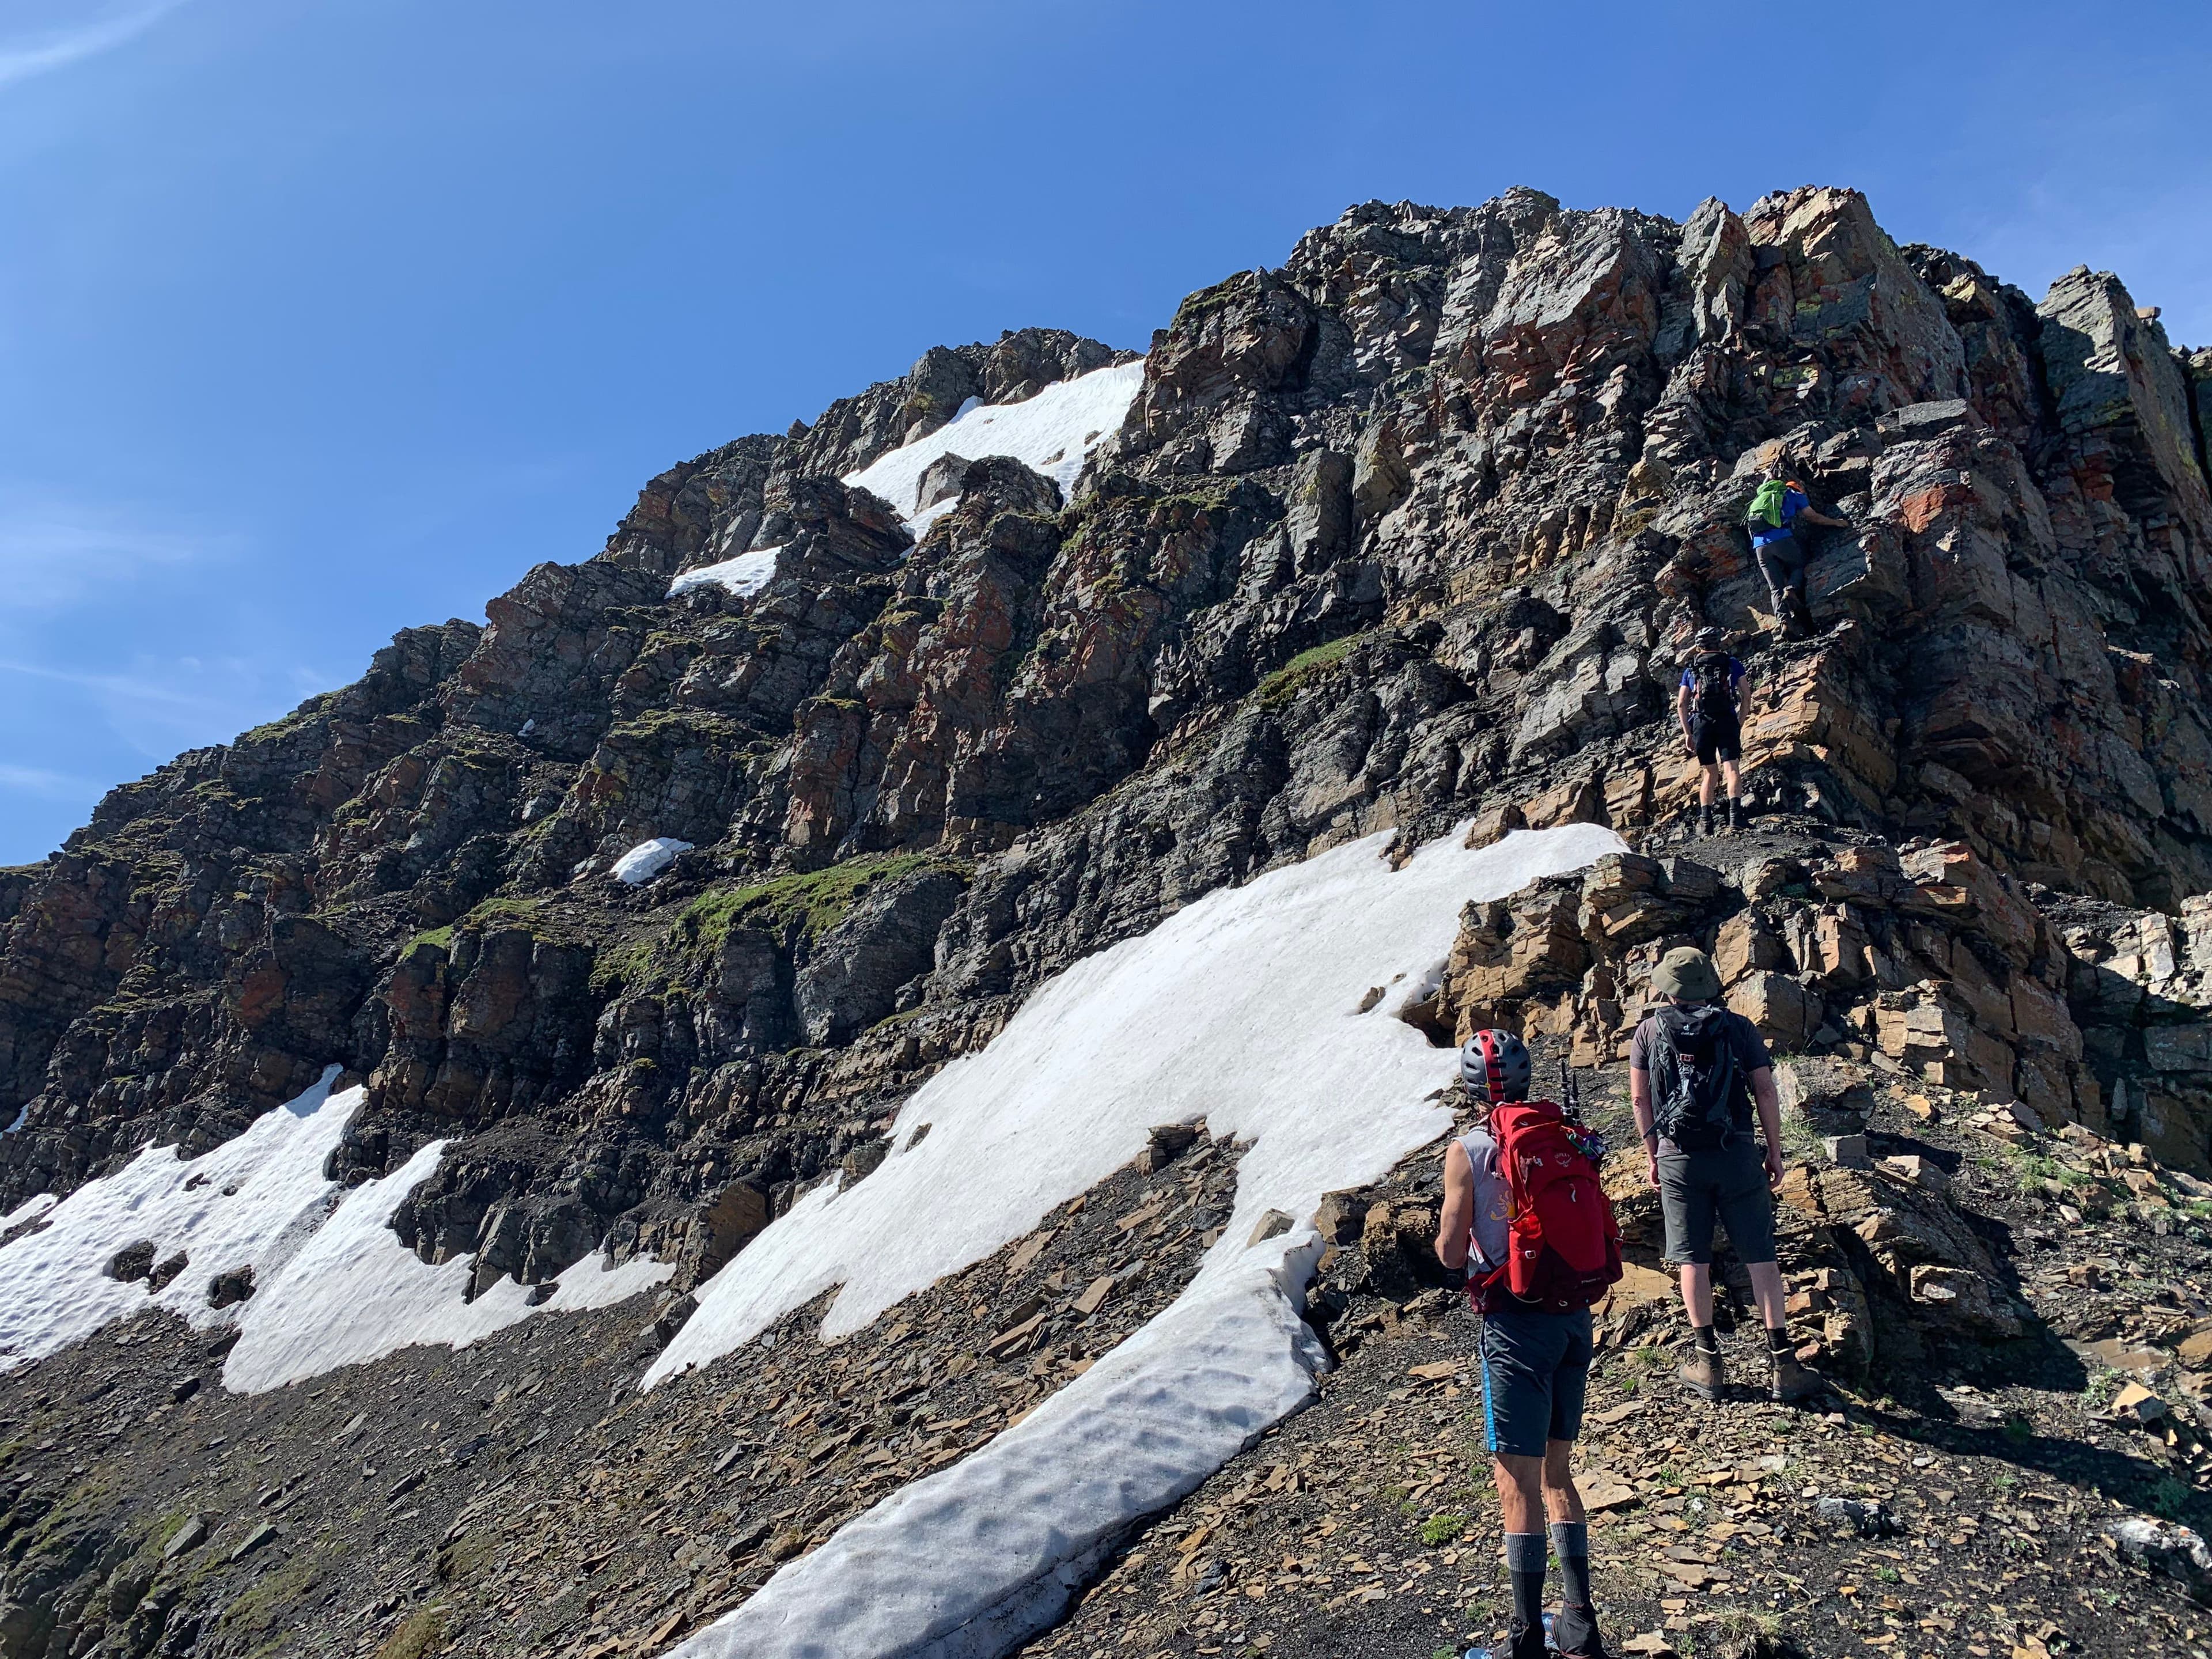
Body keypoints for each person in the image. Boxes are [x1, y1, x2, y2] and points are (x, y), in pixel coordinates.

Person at [1436, 1029, 1610, 1659]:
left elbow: (1453, 1251)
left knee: (1517, 1482)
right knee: (1559, 1472)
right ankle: (1580, 1625)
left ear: (1471, 1089)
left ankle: (1524, 1642)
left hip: (1515, 1323)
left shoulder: (1469, 1149)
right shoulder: (1570, 1136)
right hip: (1574, 1316)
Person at [1628, 947, 1821, 1404]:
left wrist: (1654, 1154)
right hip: (1736, 1152)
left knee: (1693, 1259)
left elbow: (1641, 1104)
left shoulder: (1648, 1032)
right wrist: (1773, 1150)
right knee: (1760, 1255)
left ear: (1666, 987)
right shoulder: (1738, 1028)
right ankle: (1784, 1364)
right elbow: (1766, 1090)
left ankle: (1708, 1363)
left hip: (1679, 1159)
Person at [1744, 478, 1850, 639]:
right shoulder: (1795, 495)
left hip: (1760, 545)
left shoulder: (1764, 495)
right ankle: (1792, 588)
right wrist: (1836, 523)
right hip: (1781, 539)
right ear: (1798, 487)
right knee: (1798, 565)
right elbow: (1812, 517)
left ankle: (1785, 623)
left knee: (1775, 587)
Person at [1677, 627, 1747, 838]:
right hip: (1727, 720)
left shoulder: (1691, 669)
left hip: (1702, 723)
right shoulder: (1731, 664)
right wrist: (1739, 722)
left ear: (1699, 646)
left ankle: (1706, 824)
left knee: (1709, 773)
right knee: (1732, 769)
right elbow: (1746, 696)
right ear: (1719, 643)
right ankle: (1735, 819)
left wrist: (1688, 733)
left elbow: (1681, 704)